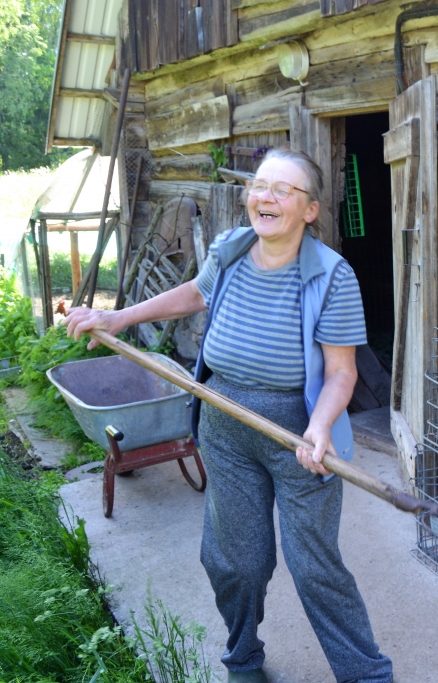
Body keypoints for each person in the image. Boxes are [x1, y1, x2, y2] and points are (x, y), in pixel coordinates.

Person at [65, 149, 393, 683]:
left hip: (297, 433)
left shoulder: (333, 276)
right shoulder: (231, 249)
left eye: (283, 190)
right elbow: (196, 291)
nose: (265, 197)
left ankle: (366, 675)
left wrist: (320, 425)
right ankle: (242, 659)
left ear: (310, 210)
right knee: (236, 561)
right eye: (260, 185)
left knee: (316, 568)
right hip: (223, 422)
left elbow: (340, 373)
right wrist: (117, 316)